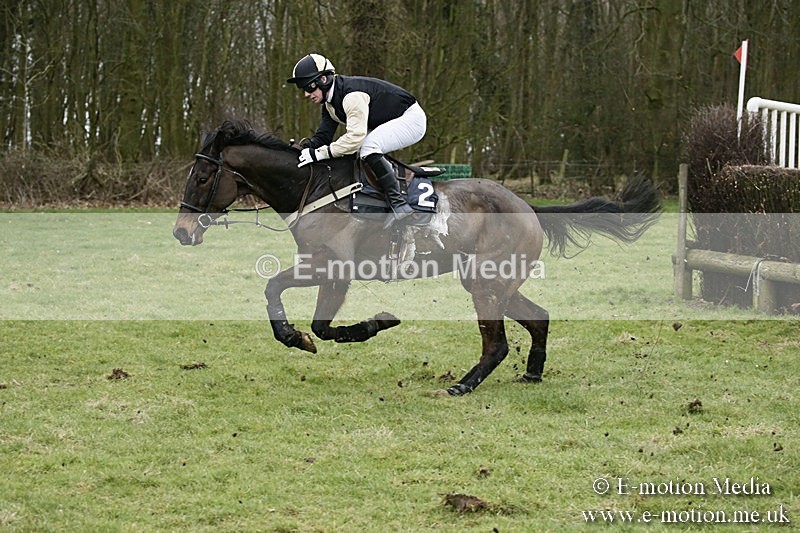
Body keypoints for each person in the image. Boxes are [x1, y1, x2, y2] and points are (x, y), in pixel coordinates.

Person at [287, 53, 427, 227]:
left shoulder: (351, 96)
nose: (306, 94)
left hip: (411, 119)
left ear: (323, 80)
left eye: (308, 88)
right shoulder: (330, 103)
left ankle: (399, 205)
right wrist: (302, 151)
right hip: (389, 120)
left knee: (368, 147)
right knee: (363, 150)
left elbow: (354, 138)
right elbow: (323, 137)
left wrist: (319, 154)